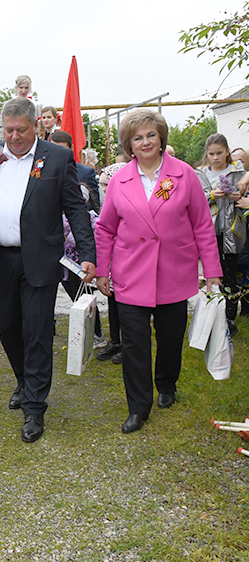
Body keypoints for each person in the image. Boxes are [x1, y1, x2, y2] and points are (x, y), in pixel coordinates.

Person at [0, 97, 96, 443]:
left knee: (37, 330)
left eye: (22, 130)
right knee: (6, 326)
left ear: (36, 126)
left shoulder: (57, 157)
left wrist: (87, 252)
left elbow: (76, 209)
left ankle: (35, 406)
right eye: (9, 131)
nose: (15, 137)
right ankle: (23, 379)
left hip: (40, 258)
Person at [95, 109, 222, 434]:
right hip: (131, 275)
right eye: (138, 137)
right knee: (135, 345)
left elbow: (203, 226)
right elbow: (106, 229)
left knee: (169, 340)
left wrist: (212, 272)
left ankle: (166, 384)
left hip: (173, 273)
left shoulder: (184, 175)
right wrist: (102, 271)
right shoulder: (120, 181)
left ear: (161, 137)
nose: (145, 141)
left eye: (151, 135)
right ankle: (138, 407)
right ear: (129, 144)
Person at [195, 133, 247, 336]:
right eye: (211, 154)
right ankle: (211, 316)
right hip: (209, 232)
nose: (215, 158)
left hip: (231, 232)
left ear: (227, 151)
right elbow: (195, 201)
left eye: (219, 153)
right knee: (210, 275)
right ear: (206, 155)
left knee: (229, 275)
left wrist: (238, 196)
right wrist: (210, 196)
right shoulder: (201, 174)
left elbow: (245, 195)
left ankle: (230, 318)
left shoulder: (238, 172)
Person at [95, 163, 126, 364]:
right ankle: (115, 340)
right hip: (113, 261)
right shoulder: (107, 200)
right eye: (102, 185)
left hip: (127, 260)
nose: (104, 189)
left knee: (126, 306)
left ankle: (127, 344)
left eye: (107, 185)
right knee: (112, 301)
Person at [51, 131, 101, 211]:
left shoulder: (86, 173)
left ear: (71, 149)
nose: (57, 154)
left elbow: (94, 204)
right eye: (53, 149)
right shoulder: (42, 171)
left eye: (61, 150)